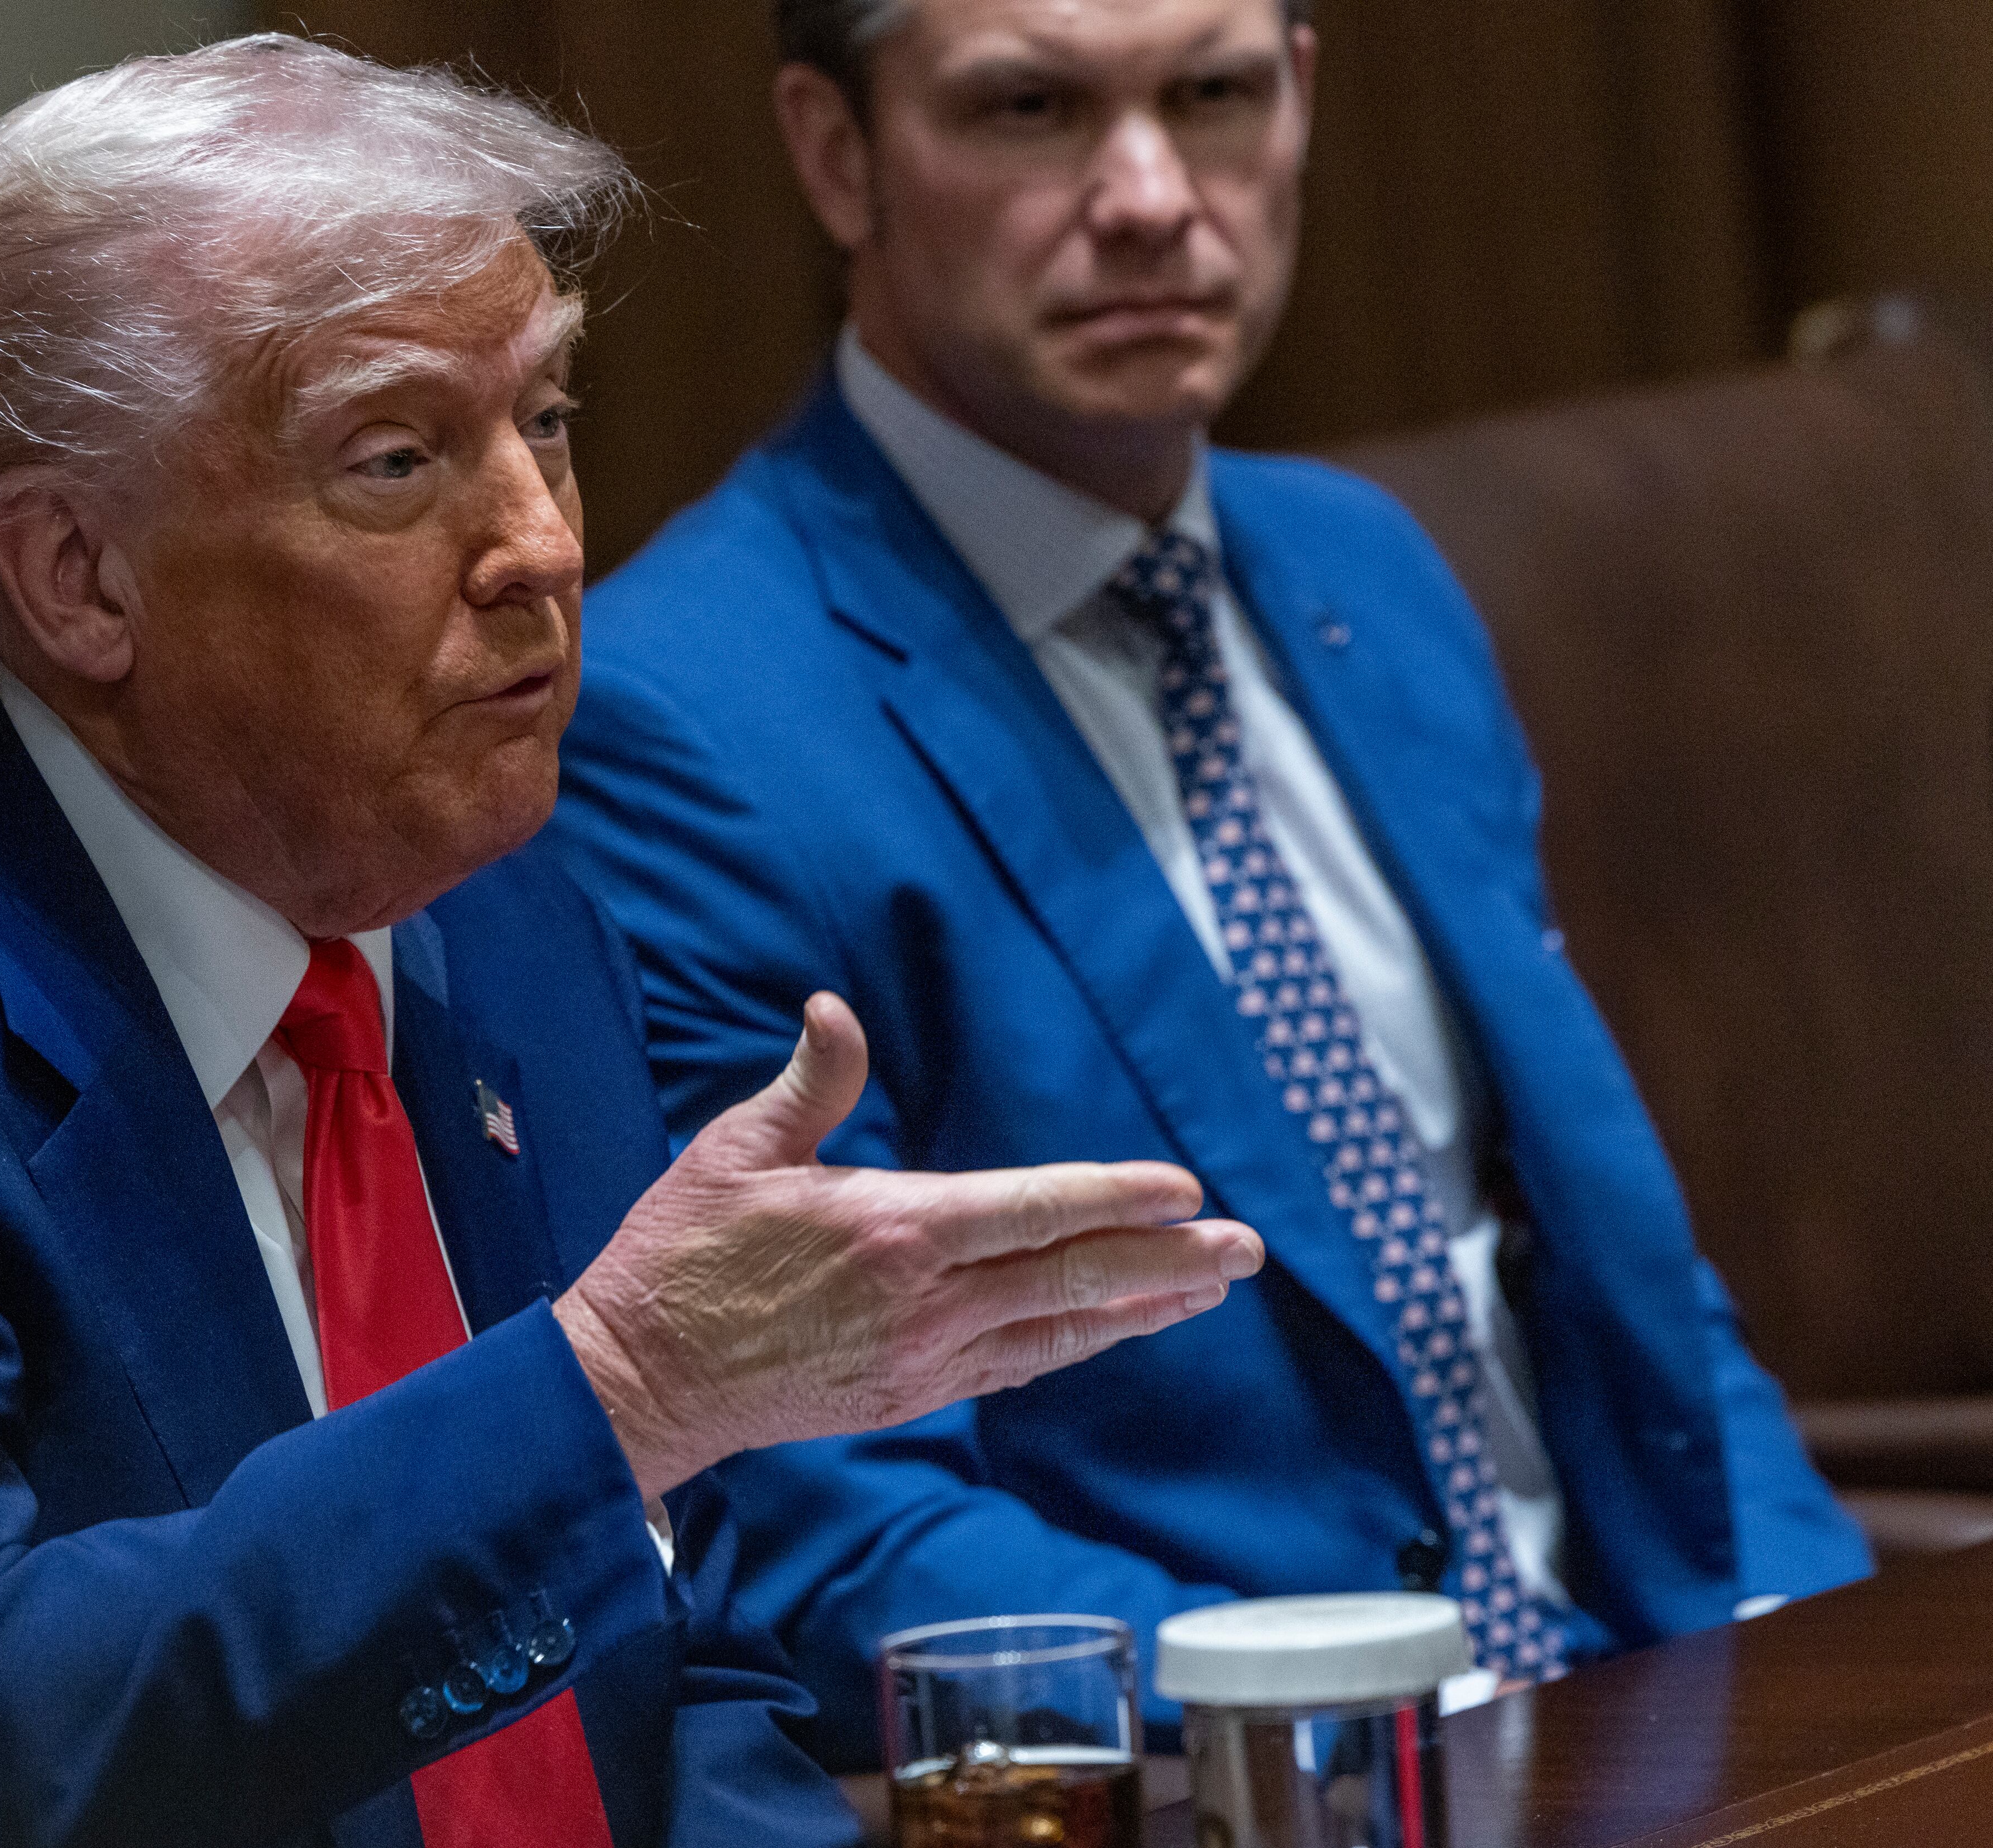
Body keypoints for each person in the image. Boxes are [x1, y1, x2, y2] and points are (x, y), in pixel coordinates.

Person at [0, 35, 1266, 1848]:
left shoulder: (484, 896)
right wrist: (619, 1390)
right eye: (397, 459)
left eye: (549, 420)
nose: (546, 543)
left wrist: (630, 1431)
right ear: (75, 573)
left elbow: (680, 1671)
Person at [545, 0, 1871, 1762]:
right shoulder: (681, 720)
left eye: (1215, 93)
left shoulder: (1365, 567)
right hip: (1251, 1768)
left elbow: (1619, 1280)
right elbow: (821, 1521)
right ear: (836, 150)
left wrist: (1821, 1648)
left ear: (1301, 101)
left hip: (1657, 1703)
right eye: (1031, 107)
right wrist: (1414, 1721)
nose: (1155, 194)